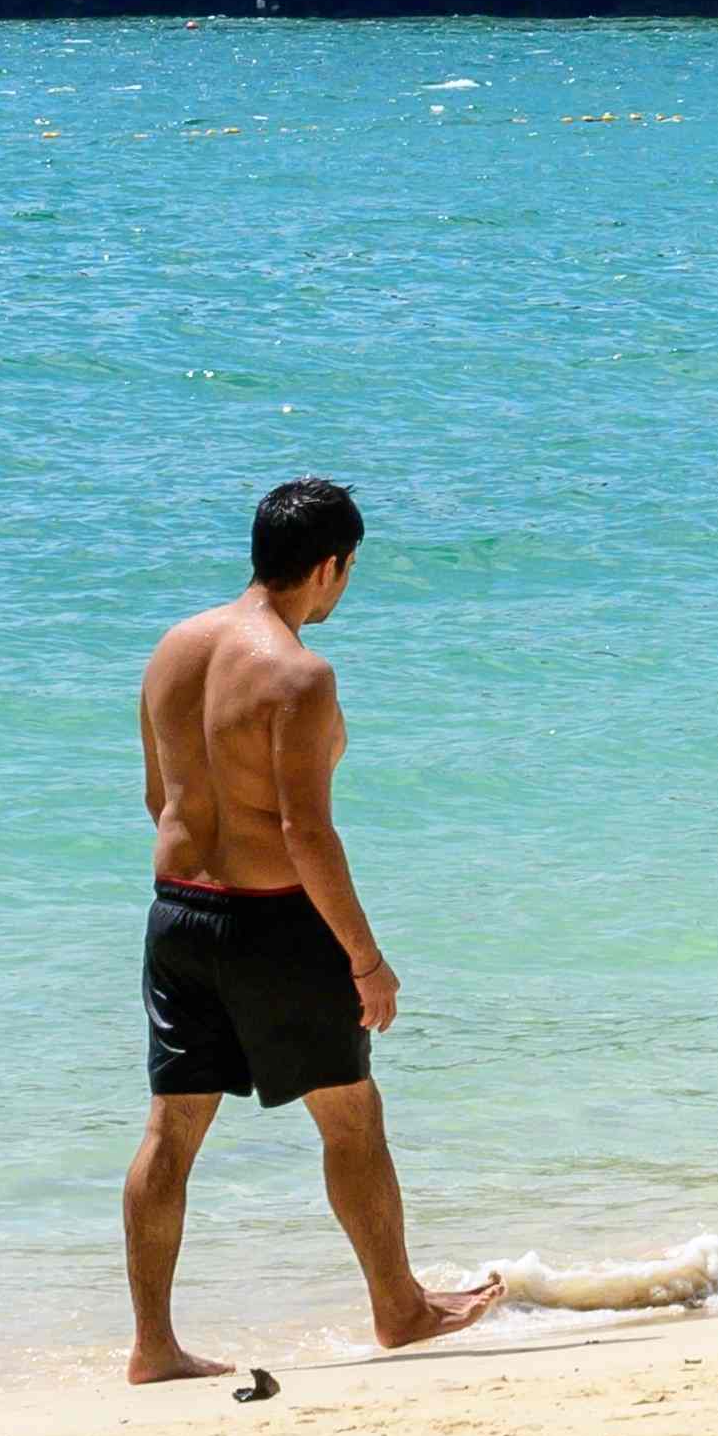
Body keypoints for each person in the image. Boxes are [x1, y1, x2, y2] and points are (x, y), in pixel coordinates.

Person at [121, 478, 494, 1383]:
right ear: (328, 566)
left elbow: (157, 798)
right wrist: (366, 958)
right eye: (348, 572)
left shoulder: (175, 647)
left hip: (177, 912)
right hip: (273, 923)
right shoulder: (298, 673)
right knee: (351, 1116)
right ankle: (399, 1308)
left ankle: (154, 1347)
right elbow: (306, 832)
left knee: (171, 1131)